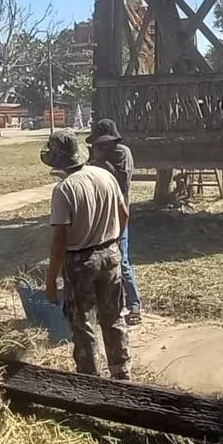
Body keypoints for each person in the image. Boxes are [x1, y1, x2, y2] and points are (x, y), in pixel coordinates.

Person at [42, 129, 131, 379]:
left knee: (83, 324)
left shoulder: (64, 189)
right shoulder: (105, 176)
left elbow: (60, 239)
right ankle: (121, 372)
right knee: (113, 316)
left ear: (57, 161)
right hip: (110, 254)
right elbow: (124, 214)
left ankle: (90, 380)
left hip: (80, 262)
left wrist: (51, 280)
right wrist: (113, 241)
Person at [87, 118, 143, 325]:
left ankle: (134, 305)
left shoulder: (121, 153)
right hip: (100, 216)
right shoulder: (101, 157)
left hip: (118, 214)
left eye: (101, 143)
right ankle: (110, 304)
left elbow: (120, 181)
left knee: (122, 260)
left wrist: (98, 161)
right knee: (103, 261)